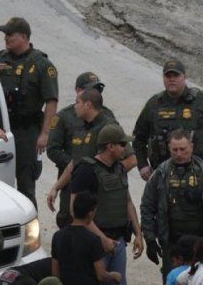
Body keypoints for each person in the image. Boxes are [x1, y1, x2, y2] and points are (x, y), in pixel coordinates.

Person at [65, 124, 143, 285]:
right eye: (122, 144)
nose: (126, 148)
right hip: (94, 245)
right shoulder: (87, 171)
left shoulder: (120, 169)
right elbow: (75, 210)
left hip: (117, 241)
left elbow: (127, 201)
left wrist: (138, 233)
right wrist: (102, 239)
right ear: (110, 146)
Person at [0, 17, 58, 207]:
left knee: (26, 182)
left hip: (25, 132)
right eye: (5, 34)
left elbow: (51, 101)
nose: (6, 38)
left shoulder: (41, 64)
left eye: (10, 34)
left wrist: (45, 133)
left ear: (24, 37)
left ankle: (30, 230)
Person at [141, 128, 203, 279]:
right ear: (169, 148)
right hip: (173, 243)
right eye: (174, 149)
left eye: (183, 149)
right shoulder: (161, 173)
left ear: (191, 147)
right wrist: (150, 238)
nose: (179, 154)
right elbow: (147, 206)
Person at [46, 73, 137, 214]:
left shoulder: (107, 119)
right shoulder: (65, 116)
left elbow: (129, 159)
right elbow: (54, 150)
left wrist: (107, 178)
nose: (96, 94)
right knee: (68, 220)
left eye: (98, 90)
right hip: (71, 183)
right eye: (91, 90)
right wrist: (79, 172)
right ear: (78, 90)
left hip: (99, 196)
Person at [133, 59, 203, 181]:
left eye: (176, 75)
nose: (171, 79)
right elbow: (138, 137)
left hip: (198, 174)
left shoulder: (202, 100)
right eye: (168, 76)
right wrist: (142, 164)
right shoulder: (154, 104)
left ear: (184, 77)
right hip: (163, 176)